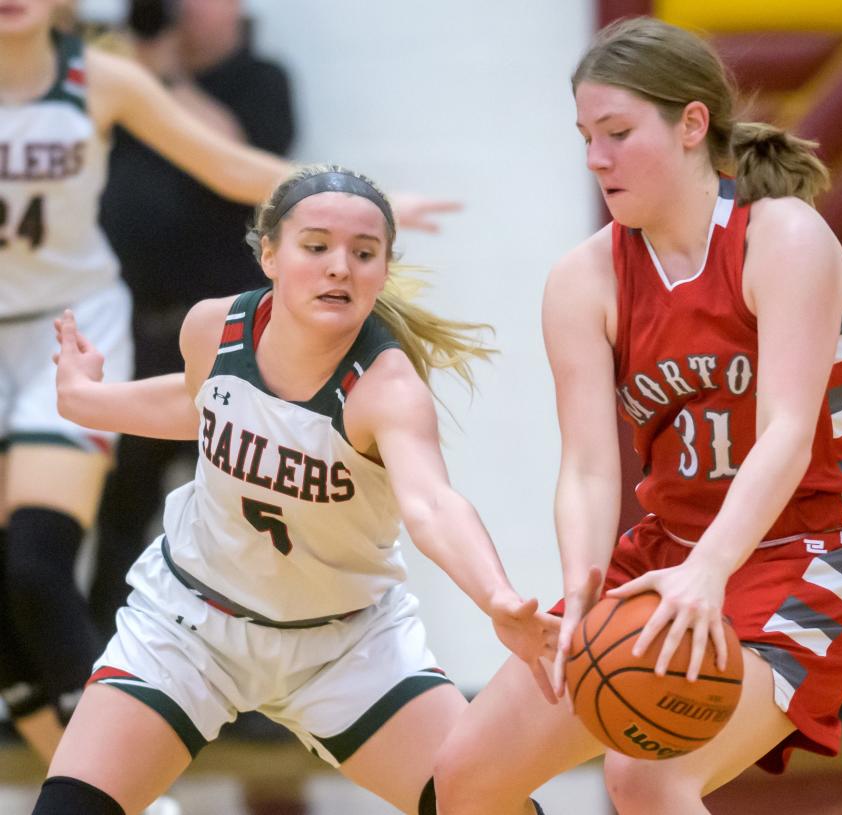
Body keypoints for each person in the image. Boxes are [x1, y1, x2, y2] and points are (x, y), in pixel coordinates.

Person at [434, 16, 842, 815]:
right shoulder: (585, 280)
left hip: (814, 548)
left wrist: (711, 570)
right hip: (667, 552)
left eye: (616, 132)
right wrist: (580, 591)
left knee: (645, 771)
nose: (595, 158)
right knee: (465, 781)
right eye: (585, 135)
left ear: (692, 124)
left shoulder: (782, 236)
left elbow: (787, 430)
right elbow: (585, 463)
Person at [0, 0, 458, 769]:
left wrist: (357, 201)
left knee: (34, 563)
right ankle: (83, 773)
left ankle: (115, 770)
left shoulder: (100, 79)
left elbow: (221, 161)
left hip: (66, 324)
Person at [38, 164, 557, 815]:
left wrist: (498, 596)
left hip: (344, 644)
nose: (340, 266)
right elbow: (203, 402)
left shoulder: (386, 387)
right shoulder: (213, 327)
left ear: (384, 269)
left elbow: (432, 503)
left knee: (484, 805)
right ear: (270, 254)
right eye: (317, 246)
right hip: (191, 622)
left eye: (364, 253)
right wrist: (89, 399)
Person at [91, 0, 297, 639]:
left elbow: (237, 158)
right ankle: (105, 662)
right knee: (120, 509)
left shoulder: (259, 78)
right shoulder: (116, 81)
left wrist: (164, 80)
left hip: (236, 342)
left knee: (245, 508)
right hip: (138, 330)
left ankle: (258, 672)